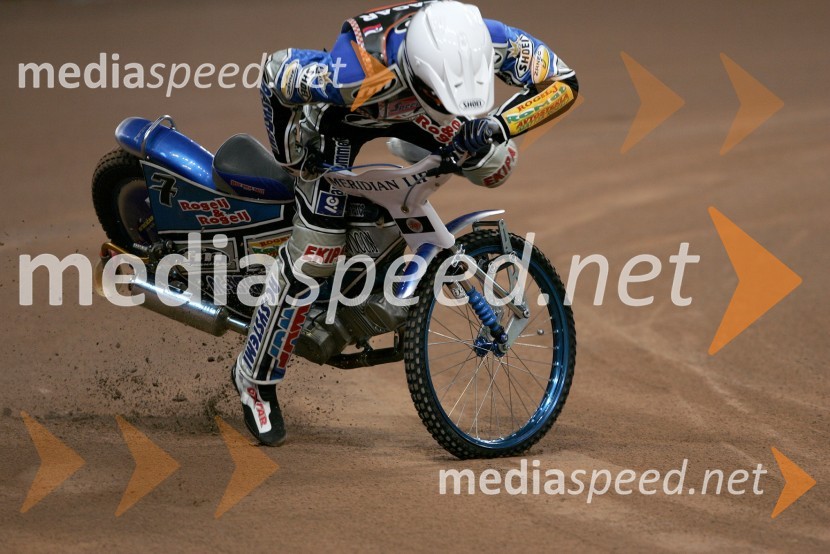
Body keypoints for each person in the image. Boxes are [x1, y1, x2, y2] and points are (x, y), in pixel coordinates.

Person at [232, 0, 579, 445]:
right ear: (415, 71)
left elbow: (564, 82)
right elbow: (276, 73)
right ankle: (254, 377)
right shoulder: (350, 71)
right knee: (315, 256)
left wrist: (497, 124)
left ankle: (404, 161)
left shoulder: (485, 38)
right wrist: (293, 156)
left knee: (496, 162)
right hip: (342, 123)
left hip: (417, 116)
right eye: (441, 94)